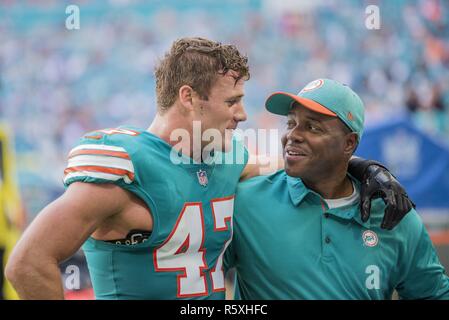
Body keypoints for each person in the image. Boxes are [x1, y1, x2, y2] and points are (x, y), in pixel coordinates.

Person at [5, 39, 413, 300]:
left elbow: (298, 169)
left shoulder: (226, 158)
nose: (242, 114)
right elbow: (27, 262)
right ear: (189, 97)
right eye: (231, 101)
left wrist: (361, 167)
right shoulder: (125, 164)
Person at [225, 78, 449, 299]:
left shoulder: (394, 215)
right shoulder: (246, 202)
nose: (292, 135)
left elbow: (433, 294)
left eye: (313, 127)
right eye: (291, 123)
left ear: (349, 143)